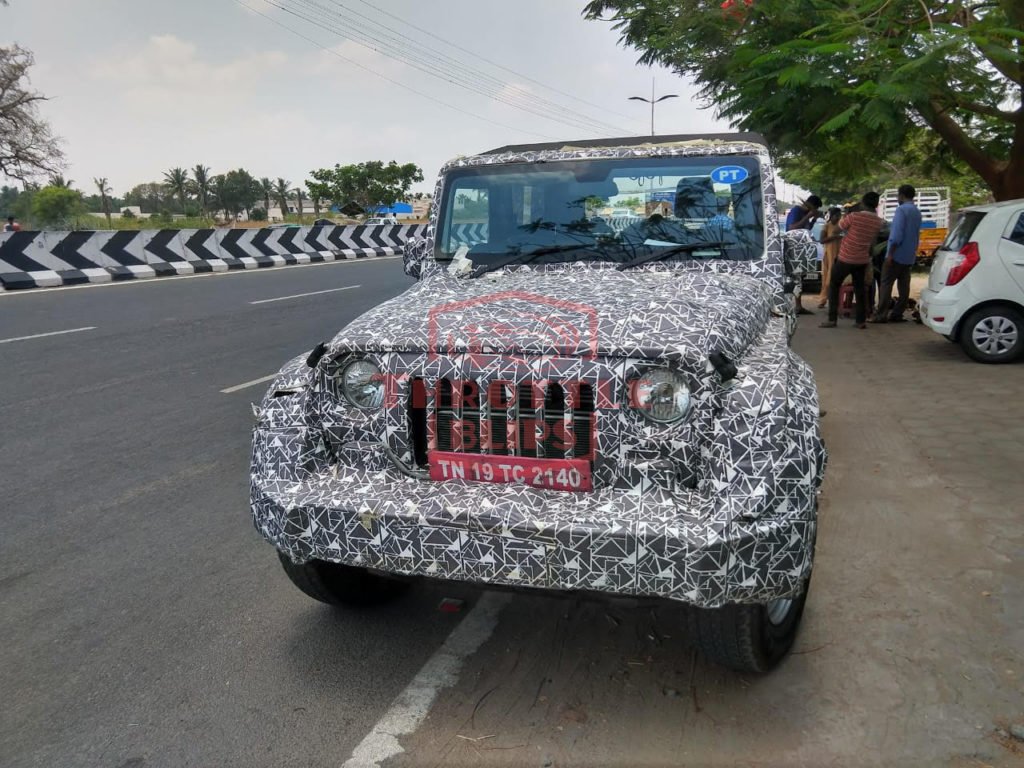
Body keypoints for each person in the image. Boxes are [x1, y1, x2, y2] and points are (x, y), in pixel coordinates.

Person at [821, 192, 884, 329]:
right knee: (860, 289)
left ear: (862, 203)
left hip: (846, 258)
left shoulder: (853, 217)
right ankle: (860, 321)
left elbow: (836, 230)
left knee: (834, 284)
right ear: (876, 204)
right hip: (862, 259)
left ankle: (832, 319)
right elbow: (872, 242)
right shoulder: (878, 221)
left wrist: (848, 233)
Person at [871, 184, 922, 323]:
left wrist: (890, 254)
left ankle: (881, 315)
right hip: (909, 255)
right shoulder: (916, 211)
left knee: (886, 284)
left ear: (901, 195)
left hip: (896, 254)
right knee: (904, 286)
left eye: (898, 195)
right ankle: (897, 314)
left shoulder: (901, 210)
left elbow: (896, 235)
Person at [786, 194, 823, 315]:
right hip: (793, 247)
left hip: (803, 248)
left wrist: (814, 219)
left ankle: (798, 305)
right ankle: (793, 306)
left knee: (799, 278)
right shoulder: (796, 211)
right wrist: (808, 215)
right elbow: (792, 227)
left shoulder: (805, 214)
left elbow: (806, 229)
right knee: (793, 278)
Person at [816, 207, 842, 308]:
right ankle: (822, 300)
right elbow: (822, 240)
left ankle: (835, 301)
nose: (838, 218)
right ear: (831, 216)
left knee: (836, 279)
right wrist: (835, 237)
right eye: (836, 216)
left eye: (839, 216)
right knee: (826, 280)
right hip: (829, 255)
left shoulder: (841, 226)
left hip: (839, 255)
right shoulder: (826, 226)